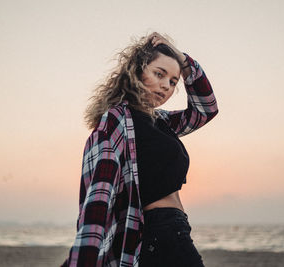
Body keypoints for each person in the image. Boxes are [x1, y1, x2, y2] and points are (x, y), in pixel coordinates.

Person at [61, 32, 218, 267]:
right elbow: (100, 191)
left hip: (175, 228)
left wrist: (184, 61)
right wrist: (85, 257)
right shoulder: (117, 121)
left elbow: (205, 110)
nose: (166, 85)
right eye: (159, 74)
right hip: (159, 231)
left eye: (173, 81)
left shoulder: (161, 122)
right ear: (137, 72)